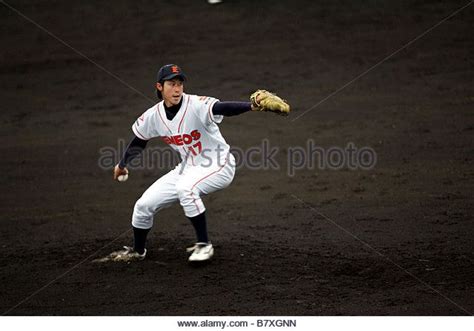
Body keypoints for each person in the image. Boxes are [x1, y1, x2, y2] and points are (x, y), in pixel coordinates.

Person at [107, 64, 289, 263]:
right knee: (143, 205)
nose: (177, 89)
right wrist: (122, 164)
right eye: (171, 84)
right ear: (159, 87)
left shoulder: (196, 104)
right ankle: (137, 250)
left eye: (180, 84)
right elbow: (139, 141)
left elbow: (222, 108)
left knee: (186, 189)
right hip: (188, 167)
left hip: (219, 163)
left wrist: (251, 106)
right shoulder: (153, 116)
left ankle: (204, 245)